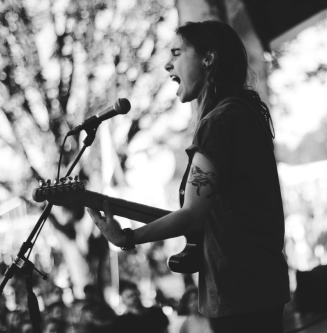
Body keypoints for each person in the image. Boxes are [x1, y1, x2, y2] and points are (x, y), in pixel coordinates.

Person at [87, 20, 290, 333]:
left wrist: (128, 237)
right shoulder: (243, 112)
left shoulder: (220, 121)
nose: (168, 63)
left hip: (239, 293)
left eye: (177, 53)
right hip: (258, 287)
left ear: (209, 57)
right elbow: (216, 215)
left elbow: (193, 215)